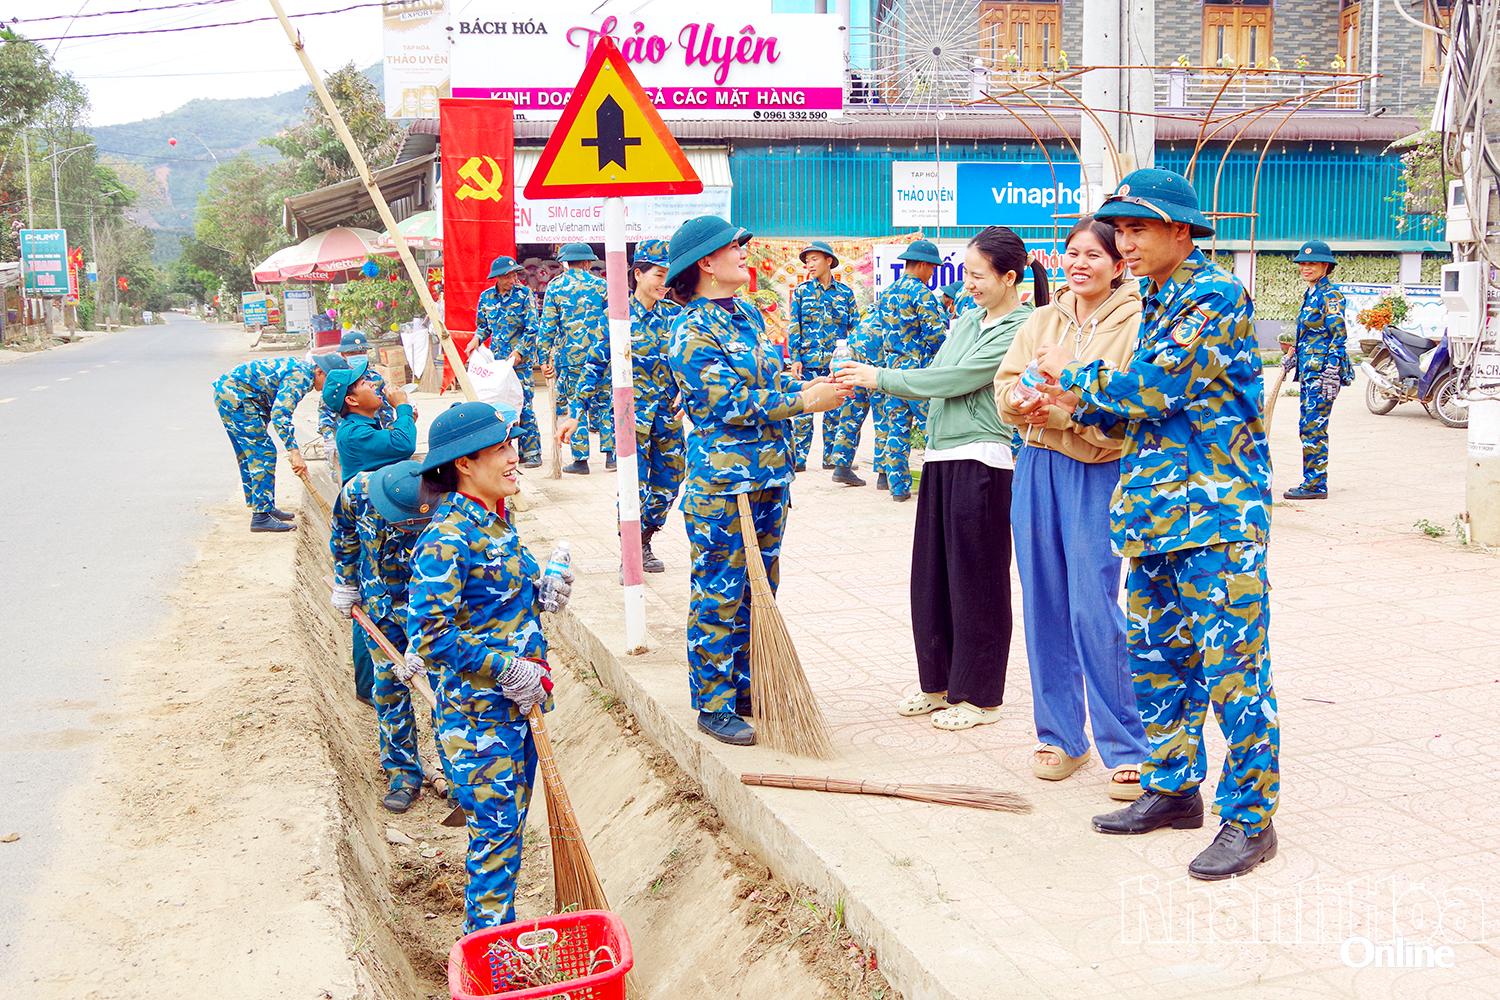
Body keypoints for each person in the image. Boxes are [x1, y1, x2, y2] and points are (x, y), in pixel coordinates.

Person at [1034, 168, 1278, 880]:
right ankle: (1173, 790)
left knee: (1233, 674)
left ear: (1181, 230)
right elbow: (1140, 414)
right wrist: (1067, 406)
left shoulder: (1215, 294)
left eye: (1138, 229)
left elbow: (1155, 387)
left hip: (1216, 519)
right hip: (1152, 518)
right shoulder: (1160, 300)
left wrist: (1071, 371)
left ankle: (1251, 820)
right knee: (1158, 664)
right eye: (1120, 231)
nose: (1125, 243)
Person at [836, 226, 1040, 731]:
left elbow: (955, 379)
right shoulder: (968, 319)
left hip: (983, 460)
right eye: (966, 273)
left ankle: (980, 696)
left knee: (978, 582)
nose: (968, 284)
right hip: (941, 455)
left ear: (1009, 278)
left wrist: (880, 377)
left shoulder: (1021, 327)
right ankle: (938, 683)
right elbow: (941, 371)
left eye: (977, 275)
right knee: (933, 579)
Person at [665, 216, 847, 746]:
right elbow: (730, 404)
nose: (744, 252)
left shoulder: (744, 312)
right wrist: (804, 401)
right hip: (724, 486)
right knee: (719, 592)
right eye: (734, 247)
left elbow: (767, 379)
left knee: (760, 587)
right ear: (706, 262)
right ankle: (713, 702)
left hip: (769, 474)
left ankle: (744, 684)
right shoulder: (691, 331)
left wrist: (809, 385)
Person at [995, 216, 1148, 801]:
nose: (1079, 264)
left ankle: (1128, 746)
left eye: (1093, 255)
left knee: (1093, 607)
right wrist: (1021, 403)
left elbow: (1128, 414)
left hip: (1097, 472)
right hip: (1036, 468)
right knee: (1044, 604)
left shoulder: (1137, 322)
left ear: (1118, 264)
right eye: (1072, 253)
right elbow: (1005, 387)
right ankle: (1061, 736)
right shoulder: (1041, 319)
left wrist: (1065, 412)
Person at [405, 401, 573, 932]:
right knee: (496, 843)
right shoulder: (446, 539)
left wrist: (541, 590)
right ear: (463, 463)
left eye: (511, 445)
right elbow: (430, 635)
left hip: (515, 713)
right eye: (500, 449)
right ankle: (490, 956)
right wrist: (505, 668)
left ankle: (495, 942)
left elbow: (493, 603)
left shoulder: (496, 522)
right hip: (479, 723)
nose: (513, 457)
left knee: (506, 836)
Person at [556, 239, 684, 573]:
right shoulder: (617, 317)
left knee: (670, 483)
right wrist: (575, 413)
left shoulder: (676, 316)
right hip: (630, 418)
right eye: (658, 275)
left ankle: (646, 533)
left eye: (668, 275)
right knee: (632, 487)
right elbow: (594, 366)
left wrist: (688, 394)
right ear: (638, 273)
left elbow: (691, 363)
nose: (664, 283)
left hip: (667, 417)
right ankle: (632, 551)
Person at [330, 460, 451, 812]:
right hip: (379, 607)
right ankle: (402, 774)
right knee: (387, 688)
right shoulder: (358, 493)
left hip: (430, 612)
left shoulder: (448, 508)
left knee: (443, 689)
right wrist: (346, 581)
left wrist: (422, 642)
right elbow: (343, 530)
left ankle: (457, 776)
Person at [213, 352, 344, 533]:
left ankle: (263, 505)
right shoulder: (300, 377)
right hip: (236, 396)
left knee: (250, 452)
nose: (330, 387)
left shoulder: (304, 372)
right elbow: (280, 415)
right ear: (320, 372)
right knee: (263, 453)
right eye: (331, 381)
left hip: (235, 394)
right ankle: (261, 516)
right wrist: (294, 451)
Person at [873, 240, 949, 501]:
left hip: (892, 372)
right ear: (923, 265)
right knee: (935, 430)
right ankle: (938, 488)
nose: (932, 274)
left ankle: (898, 488)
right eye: (932, 268)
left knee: (896, 430)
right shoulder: (922, 294)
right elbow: (936, 336)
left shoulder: (888, 293)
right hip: (919, 376)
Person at [1283, 240, 1353, 500]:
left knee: (1314, 428)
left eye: (1312, 263)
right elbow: (1310, 333)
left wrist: (1332, 371)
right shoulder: (1311, 293)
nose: (1305, 267)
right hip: (1309, 370)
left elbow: (1338, 336)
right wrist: (1293, 355)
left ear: (1326, 265)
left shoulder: (1330, 296)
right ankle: (1312, 480)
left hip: (1322, 374)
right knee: (1307, 426)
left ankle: (1315, 485)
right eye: (1302, 263)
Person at [540, 243, 614, 474]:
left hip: (571, 358)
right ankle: (611, 456)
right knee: (605, 404)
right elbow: (614, 320)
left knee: (576, 405)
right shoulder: (602, 285)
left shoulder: (555, 287)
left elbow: (548, 326)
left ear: (566, 262)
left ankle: (581, 460)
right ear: (587, 263)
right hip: (602, 356)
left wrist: (544, 358)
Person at [787, 241, 858, 473]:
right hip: (807, 362)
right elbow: (794, 326)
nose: (810, 264)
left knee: (835, 411)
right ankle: (798, 460)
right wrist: (795, 358)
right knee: (803, 411)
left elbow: (854, 329)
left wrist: (851, 359)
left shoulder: (845, 294)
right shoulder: (801, 292)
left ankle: (831, 458)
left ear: (829, 261)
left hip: (835, 365)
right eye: (807, 261)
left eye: (814, 259)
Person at [476, 255, 543, 469]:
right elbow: (483, 327)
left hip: (519, 363)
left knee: (524, 405)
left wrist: (519, 352)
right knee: (502, 408)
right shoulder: (486, 298)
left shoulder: (524, 295)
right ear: (497, 278)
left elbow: (532, 328)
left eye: (514, 275)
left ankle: (531, 452)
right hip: (498, 365)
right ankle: (506, 451)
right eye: (507, 276)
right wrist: (476, 340)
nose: (512, 280)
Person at [325, 358, 417, 483]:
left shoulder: (363, 425)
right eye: (363, 383)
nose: (372, 384)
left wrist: (406, 421)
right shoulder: (354, 433)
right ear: (352, 400)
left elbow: (392, 445)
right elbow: (403, 445)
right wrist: (402, 406)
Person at [825, 309, 882, 487]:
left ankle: (841, 467)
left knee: (851, 412)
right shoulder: (927, 303)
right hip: (876, 356)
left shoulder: (878, 306)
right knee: (884, 416)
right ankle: (885, 474)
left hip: (852, 352)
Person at [317, 329, 394, 456]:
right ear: (343, 355)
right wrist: (329, 439)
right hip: (345, 436)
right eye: (352, 353)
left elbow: (385, 409)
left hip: (372, 433)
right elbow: (325, 412)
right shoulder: (338, 380)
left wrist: (390, 432)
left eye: (362, 352)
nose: (358, 355)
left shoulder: (375, 378)